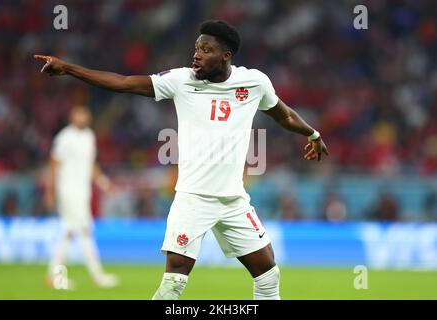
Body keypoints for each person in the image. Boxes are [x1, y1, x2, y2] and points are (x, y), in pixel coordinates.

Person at [35, 20, 329, 300]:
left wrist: (313, 134)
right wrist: (69, 69)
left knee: (268, 276)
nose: (197, 56)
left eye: (206, 50)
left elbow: (285, 114)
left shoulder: (254, 83)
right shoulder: (180, 81)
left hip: (233, 201)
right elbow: (123, 83)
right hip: (193, 199)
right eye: (196, 49)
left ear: (226, 55)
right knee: (173, 283)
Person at [45, 106, 119, 288]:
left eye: (85, 115)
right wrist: (50, 191)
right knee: (85, 230)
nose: (83, 118)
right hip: (68, 190)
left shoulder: (89, 137)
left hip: (83, 190)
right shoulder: (65, 137)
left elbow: (91, 164)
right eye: (79, 115)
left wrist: (103, 182)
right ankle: (97, 275)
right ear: (72, 117)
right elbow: (54, 164)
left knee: (69, 232)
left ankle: (54, 275)